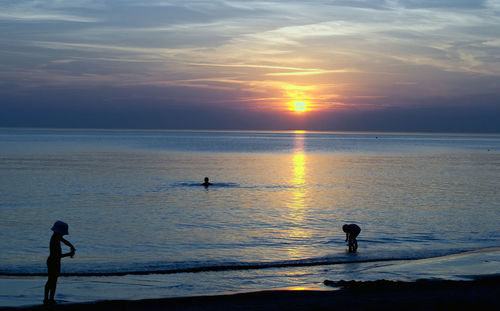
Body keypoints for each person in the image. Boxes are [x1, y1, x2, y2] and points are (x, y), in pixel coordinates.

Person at [44, 221, 75, 305]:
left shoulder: (56, 237)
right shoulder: (54, 241)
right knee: (51, 281)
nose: (63, 235)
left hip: (54, 262)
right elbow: (58, 256)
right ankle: (47, 298)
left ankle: (50, 299)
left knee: (53, 281)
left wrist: (71, 246)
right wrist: (69, 254)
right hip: (53, 262)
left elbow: (65, 241)